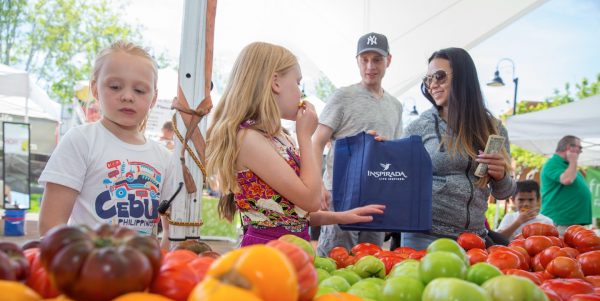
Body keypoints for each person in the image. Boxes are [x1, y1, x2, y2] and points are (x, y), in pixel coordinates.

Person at [205, 42, 385, 246]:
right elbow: (311, 200)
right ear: (276, 83)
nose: (300, 92)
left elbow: (292, 216)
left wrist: (342, 217)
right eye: (298, 83)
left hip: (291, 248)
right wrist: (305, 137)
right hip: (267, 254)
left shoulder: (278, 136)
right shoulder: (248, 138)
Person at [38, 41, 175, 248]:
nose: (127, 96)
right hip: (88, 271)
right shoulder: (81, 140)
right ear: (95, 88)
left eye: (139, 90)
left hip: (142, 273)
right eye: (115, 87)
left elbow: (170, 232)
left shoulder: (164, 157)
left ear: (153, 98)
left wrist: (160, 267)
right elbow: (51, 225)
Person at [402, 47, 516, 249]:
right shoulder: (418, 127)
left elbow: (504, 193)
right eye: (428, 79)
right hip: (424, 236)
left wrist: (501, 176)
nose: (433, 85)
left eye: (439, 76)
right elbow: (398, 179)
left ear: (463, 78)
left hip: (474, 239)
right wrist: (381, 149)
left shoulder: (494, 129)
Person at [312, 32, 403, 257]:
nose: (370, 65)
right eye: (364, 59)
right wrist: (318, 185)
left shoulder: (396, 106)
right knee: (335, 258)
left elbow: (394, 153)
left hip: (376, 196)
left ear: (388, 61)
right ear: (357, 61)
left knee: (369, 260)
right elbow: (317, 141)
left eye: (377, 59)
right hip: (340, 193)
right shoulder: (343, 96)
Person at [540, 135, 592, 235]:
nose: (580, 151)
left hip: (570, 222)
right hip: (560, 222)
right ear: (569, 147)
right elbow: (567, 179)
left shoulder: (567, 166)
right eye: (579, 148)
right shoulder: (553, 163)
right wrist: (573, 160)